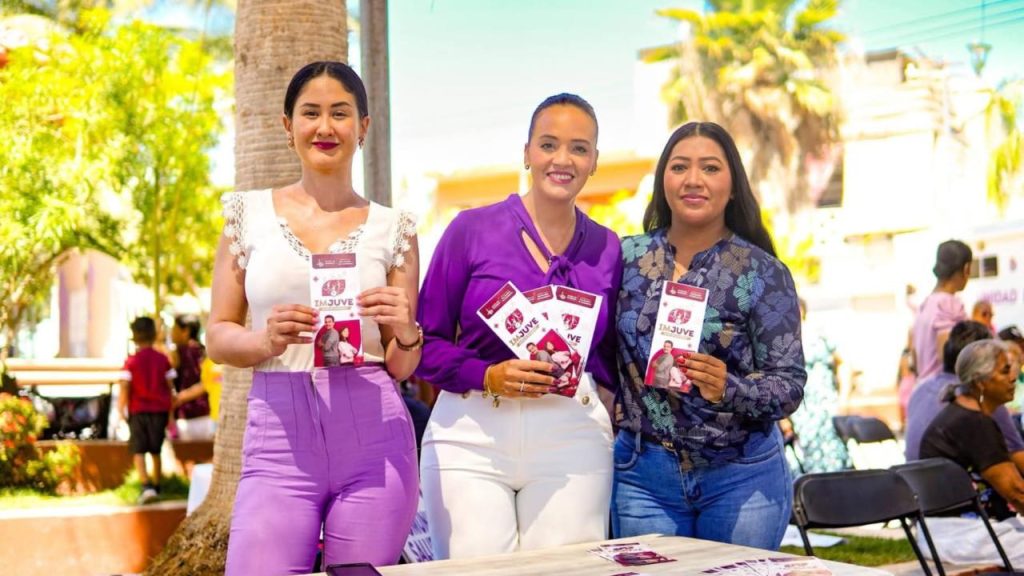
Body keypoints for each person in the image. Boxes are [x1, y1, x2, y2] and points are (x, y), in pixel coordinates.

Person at [209, 61, 421, 574]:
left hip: (375, 442)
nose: (325, 127)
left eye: (340, 113)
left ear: (363, 127)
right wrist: (264, 342)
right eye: (311, 113)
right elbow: (217, 336)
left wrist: (407, 331)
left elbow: (401, 366)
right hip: (278, 439)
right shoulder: (247, 216)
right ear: (288, 125)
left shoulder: (395, 228)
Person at [416, 93, 621, 559]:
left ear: (594, 161)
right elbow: (424, 344)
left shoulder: (608, 248)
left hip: (571, 437)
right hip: (471, 435)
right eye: (548, 144)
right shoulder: (470, 230)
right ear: (527, 152)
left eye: (579, 148)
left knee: (566, 571)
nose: (562, 159)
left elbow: (609, 357)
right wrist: (487, 375)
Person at [613, 121, 805, 550]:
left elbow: (789, 384)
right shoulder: (625, 258)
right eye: (680, 167)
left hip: (741, 476)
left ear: (733, 186)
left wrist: (729, 387)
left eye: (711, 168)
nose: (694, 179)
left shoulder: (764, 272)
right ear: (663, 180)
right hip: (643, 477)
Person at [919, 340, 1024, 565]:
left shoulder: (963, 415)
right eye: (1005, 371)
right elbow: (1017, 492)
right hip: (962, 534)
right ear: (980, 381)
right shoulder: (975, 424)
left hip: (951, 532)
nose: (1013, 378)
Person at [905, 321, 1024, 460]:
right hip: (950, 473)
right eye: (1003, 369)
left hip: (915, 473)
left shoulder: (920, 390)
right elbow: (1018, 457)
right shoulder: (980, 396)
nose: (1012, 378)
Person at [118, 316, 176, 504]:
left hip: (138, 411)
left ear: (134, 336)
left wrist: (120, 409)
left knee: (139, 450)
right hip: (159, 411)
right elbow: (170, 387)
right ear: (154, 334)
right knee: (156, 449)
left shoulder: (131, 362)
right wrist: (171, 413)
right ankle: (157, 486)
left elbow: (125, 387)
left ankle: (146, 486)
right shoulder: (163, 359)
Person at [789, 299, 850, 473]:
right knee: (806, 466)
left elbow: (844, 363)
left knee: (835, 459)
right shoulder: (782, 342)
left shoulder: (820, 334)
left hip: (827, 407)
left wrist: (844, 400)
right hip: (800, 414)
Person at [911, 240, 972, 384]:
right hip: (943, 390)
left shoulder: (925, 305)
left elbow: (914, 355)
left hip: (922, 388)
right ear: (966, 269)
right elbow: (946, 355)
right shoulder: (949, 304)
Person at [169, 314, 214, 441]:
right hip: (205, 413)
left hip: (185, 415)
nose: (172, 333)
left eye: (174, 329)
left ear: (186, 331)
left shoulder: (176, 353)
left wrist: (180, 397)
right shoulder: (205, 351)